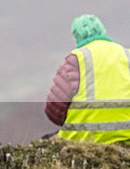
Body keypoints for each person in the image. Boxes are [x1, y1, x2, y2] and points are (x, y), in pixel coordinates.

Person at [45, 14, 130, 143]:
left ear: (76, 37)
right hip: (127, 138)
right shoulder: (127, 55)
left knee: (46, 142)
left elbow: (53, 110)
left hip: (85, 139)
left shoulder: (75, 60)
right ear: (102, 30)